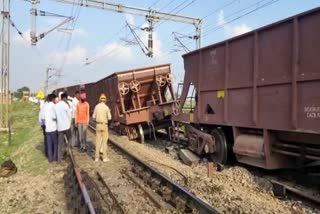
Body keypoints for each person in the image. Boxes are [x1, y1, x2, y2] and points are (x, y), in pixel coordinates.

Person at [93, 93, 112, 162]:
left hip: (98, 125)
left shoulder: (96, 106)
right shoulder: (106, 108)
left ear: (100, 100)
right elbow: (110, 118)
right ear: (105, 100)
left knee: (98, 141)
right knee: (104, 142)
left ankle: (96, 158)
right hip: (104, 125)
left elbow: (93, 117)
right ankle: (104, 158)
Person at [55, 93, 72, 163]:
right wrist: (70, 124)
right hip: (67, 126)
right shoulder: (66, 106)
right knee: (70, 138)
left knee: (60, 144)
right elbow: (69, 116)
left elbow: (54, 117)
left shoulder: (56, 106)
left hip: (59, 127)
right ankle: (67, 149)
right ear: (65, 98)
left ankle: (59, 160)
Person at [42, 94, 58, 162]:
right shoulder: (54, 106)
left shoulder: (45, 107)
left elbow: (43, 118)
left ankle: (50, 158)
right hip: (53, 128)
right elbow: (54, 117)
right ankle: (55, 157)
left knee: (49, 144)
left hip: (47, 129)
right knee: (55, 143)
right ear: (53, 99)